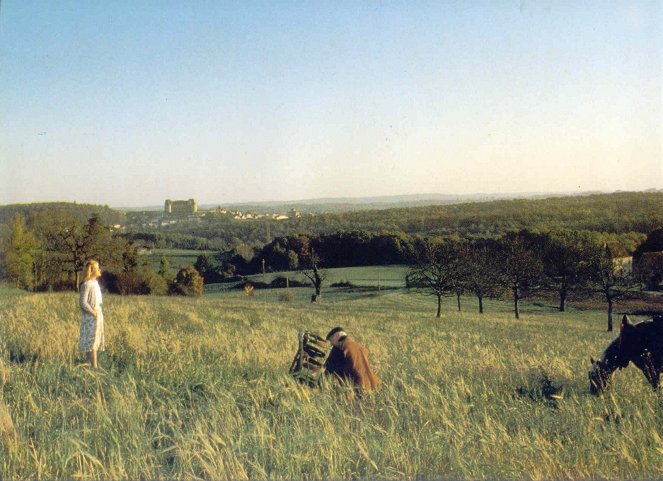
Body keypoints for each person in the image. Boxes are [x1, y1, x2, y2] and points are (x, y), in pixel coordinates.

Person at [324, 327, 379, 393]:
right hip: (374, 385)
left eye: (331, 340)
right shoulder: (359, 347)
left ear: (337, 336)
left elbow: (328, 369)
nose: (331, 344)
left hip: (359, 388)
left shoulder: (339, 348)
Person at [79, 259, 105, 369]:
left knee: (95, 340)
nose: (99, 269)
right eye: (97, 267)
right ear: (92, 270)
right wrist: (93, 312)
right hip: (91, 316)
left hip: (97, 314)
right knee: (91, 342)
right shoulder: (87, 284)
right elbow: (83, 302)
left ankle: (86, 366)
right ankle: (94, 367)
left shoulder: (95, 283)